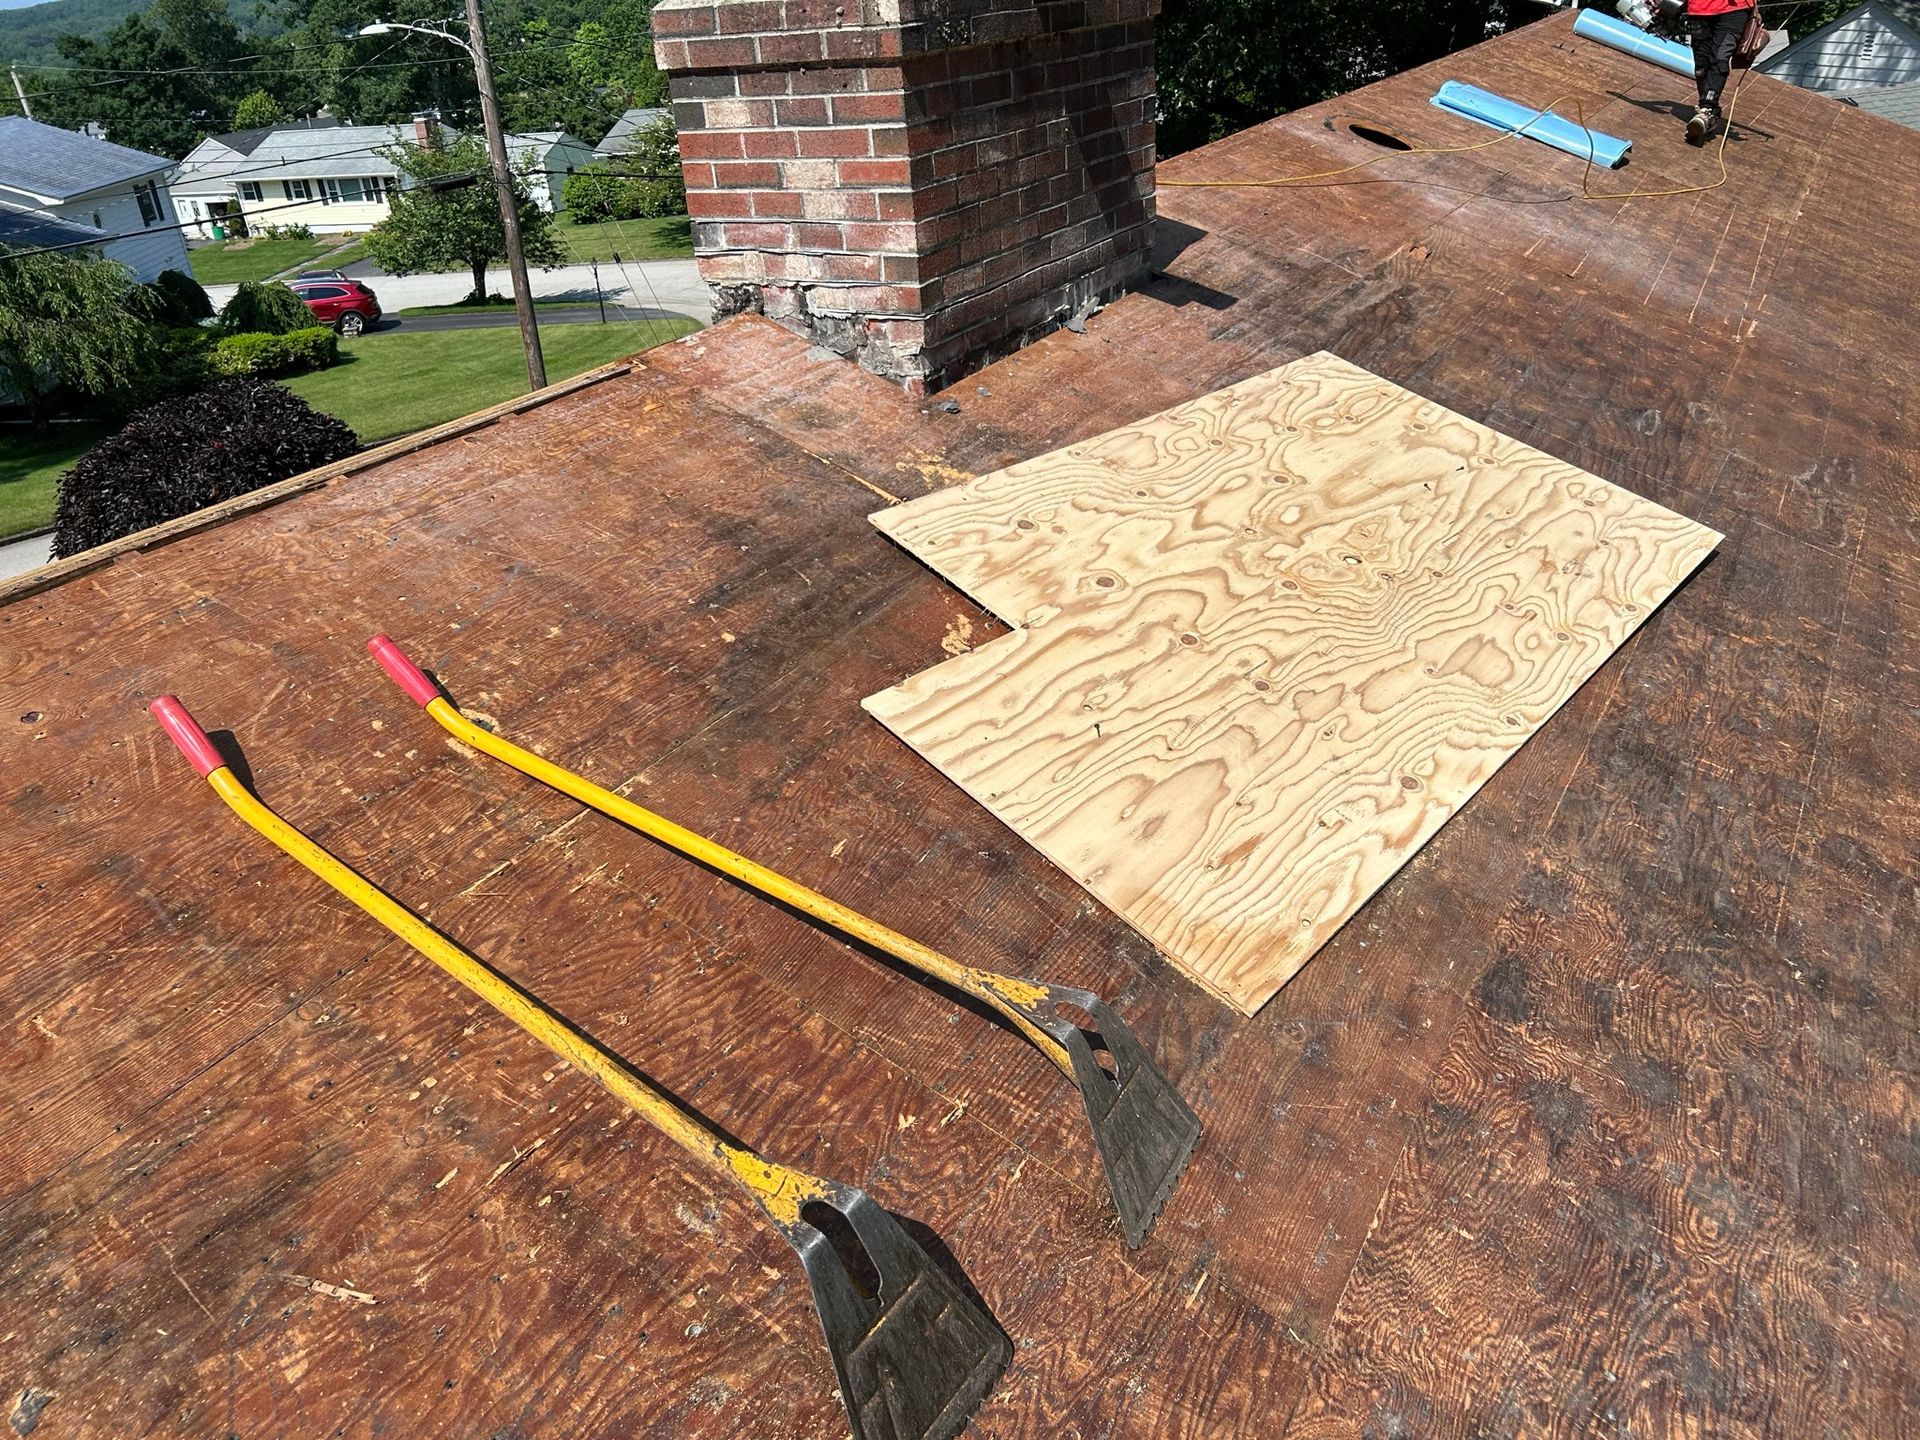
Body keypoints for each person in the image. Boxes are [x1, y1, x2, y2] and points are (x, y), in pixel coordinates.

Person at [1684, 0, 1758, 142]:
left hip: (1734, 9)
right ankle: (1709, 112)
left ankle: (1707, 110)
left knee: (1719, 59)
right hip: (1699, 9)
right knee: (1701, 66)